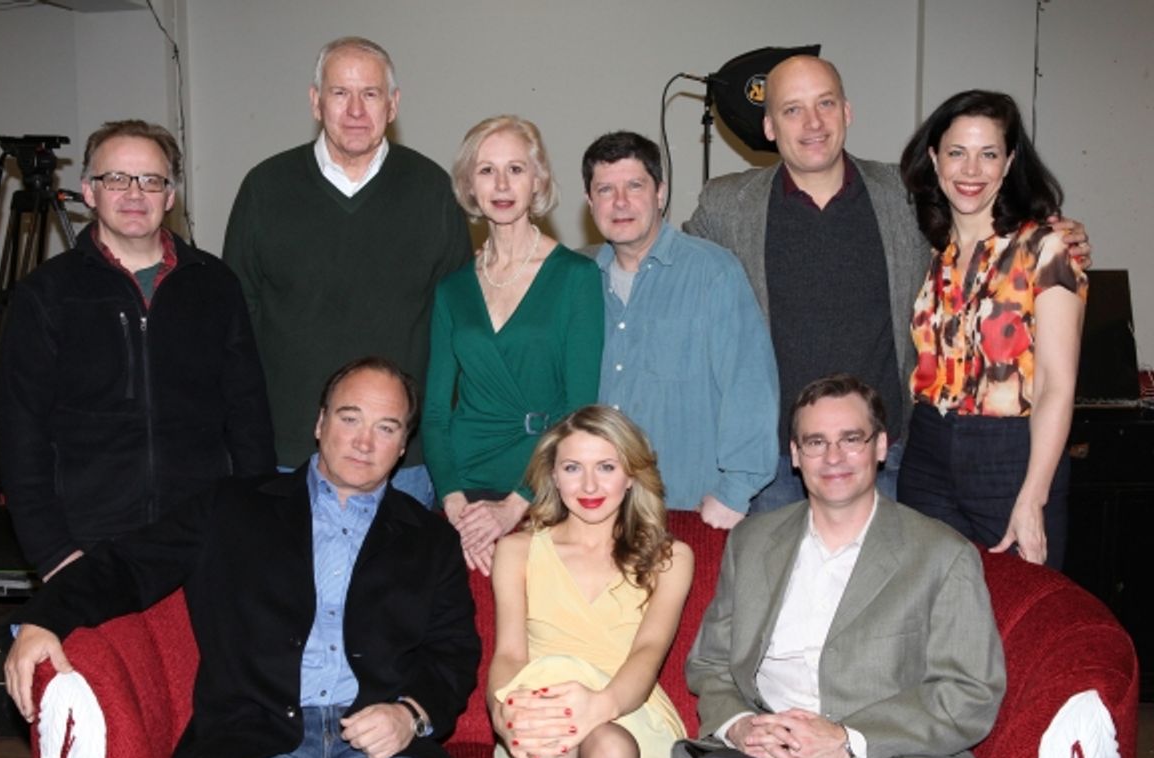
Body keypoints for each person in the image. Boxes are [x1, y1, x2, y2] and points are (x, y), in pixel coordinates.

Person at [3, 357, 481, 758]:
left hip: (381, 743)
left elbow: (453, 650)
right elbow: (128, 565)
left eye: (385, 427)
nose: (364, 442)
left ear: (403, 443)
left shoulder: (431, 540)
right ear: (320, 423)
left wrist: (409, 714)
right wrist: (43, 620)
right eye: (350, 418)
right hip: (249, 733)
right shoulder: (232, 508)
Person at [642, 374, 1006, 758]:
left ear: (880, 446)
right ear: (794, 455)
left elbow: (969, 692)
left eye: (851, 438)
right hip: (769, 754)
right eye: (816, 442)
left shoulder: (943, 555)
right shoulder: (752, 542)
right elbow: (710, 663)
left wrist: (848, 739)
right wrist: (742, 726)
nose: (833, 457)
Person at [686, 55, 1089, 510]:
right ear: (770, 127)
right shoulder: (727, 208)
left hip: (891, 460)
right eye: (792, 109)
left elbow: (983, 223)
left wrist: (1053, 236)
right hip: (776, 466)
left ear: (847, 112)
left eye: (825, 103)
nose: (813, 122)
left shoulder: (908, 197)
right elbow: (668, 273)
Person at [0, 119, 274, 581]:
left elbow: (249, 420)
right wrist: (53, 554)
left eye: (151, 180)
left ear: (169, 196)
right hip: (87, 544)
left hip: (200, 538)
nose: (133, 193)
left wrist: (249, 526)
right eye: (116, 179)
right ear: (89, 191)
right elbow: (22, 433)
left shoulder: (216, 286)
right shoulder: (45, 295)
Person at [444, 405, 692, 758]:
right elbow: (511, 654)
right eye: (573, 468)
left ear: (632, 477)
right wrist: (504, 716)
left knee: (594, 727)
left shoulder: (671, 556)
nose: (590, 486)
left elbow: (648, 653)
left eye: (606, 467)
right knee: (570, 713)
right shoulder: (517, 550)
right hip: (538, 713)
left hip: (629, 709)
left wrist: (598, 705)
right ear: (553, 477)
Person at [223, 36, 471, 506]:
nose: (356, 110)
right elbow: (236, 326)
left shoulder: (433, 191)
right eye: (340, 93)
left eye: (371, 94)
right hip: (289, 456)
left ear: (393, 104)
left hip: (405, 463)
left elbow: (457, 330)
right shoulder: (265, 188)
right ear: (316, 102)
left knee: (398, 581)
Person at [896, 90, 1088, 569]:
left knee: (1018, 619)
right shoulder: (933, 254)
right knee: (932, 615)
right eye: (957, 153)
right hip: (927, 451)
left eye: (989, 154)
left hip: (1012, 456)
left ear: (1009, 163)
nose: (971, 170)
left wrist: (1032, 496)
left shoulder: (1047, 250)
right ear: (935, 159)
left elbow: (1056, 387)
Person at [423, 116, 603, 574]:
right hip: (460, 488)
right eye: (486, 170)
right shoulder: (452, 289)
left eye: (516, 169)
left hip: (542, 483)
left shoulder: (576, 278)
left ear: (538, 180)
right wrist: (455, 504)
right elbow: (436, 413)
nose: (501, 184)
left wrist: (515, 505)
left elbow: (579, 408)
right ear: (469, 184)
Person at [584, 131, 778, 529]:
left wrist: (735, 492)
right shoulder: (578, 281)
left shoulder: (714, 272)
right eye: (605, 189)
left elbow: (750, 386)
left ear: (660, 193)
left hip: (687, 508)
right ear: (590, 203)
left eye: (634, 185)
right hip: (595, 510)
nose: (620, 202)